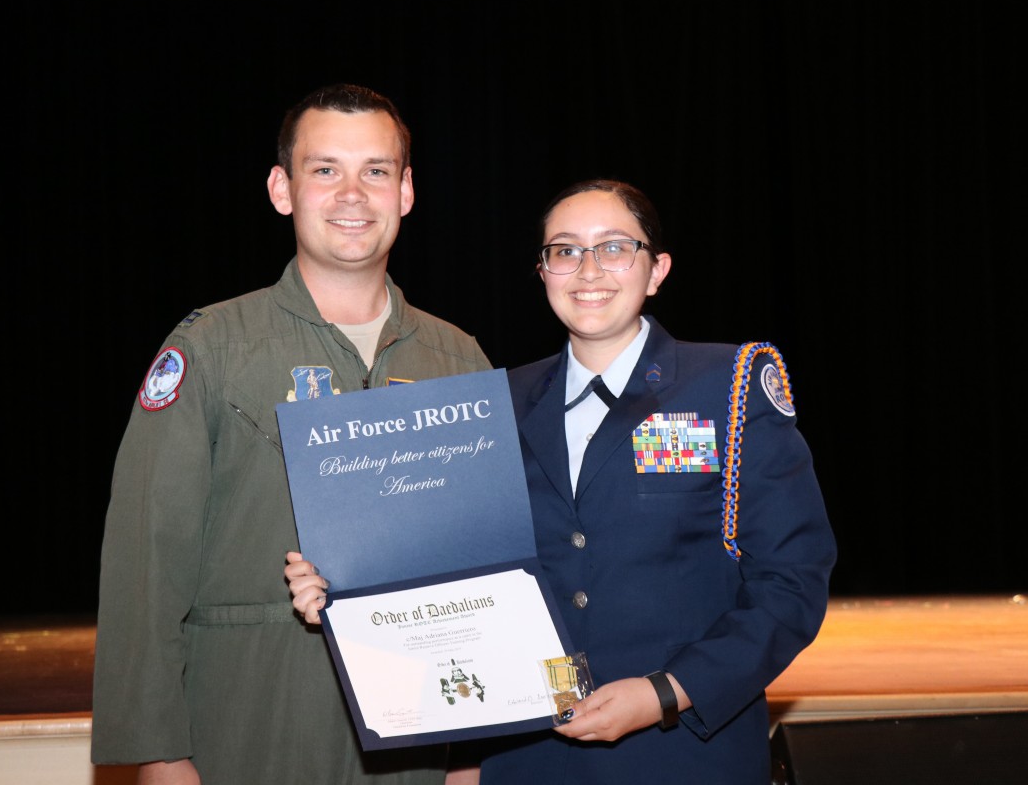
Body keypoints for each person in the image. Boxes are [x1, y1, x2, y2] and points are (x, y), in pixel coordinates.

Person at [288, 179, 836, 785]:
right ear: (544, 272)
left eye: (614, 247)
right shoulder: (497, 403)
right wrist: (344, 590)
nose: (588, 269)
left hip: (683, 751)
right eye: (565, 250)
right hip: (528, 758)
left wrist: (666, 692)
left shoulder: (728, 387)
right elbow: (450, 566)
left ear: (657, 270)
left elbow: (791, 584)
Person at [92, 83, 491, 785]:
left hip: (420, 744)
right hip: (250, 725)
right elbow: (144, 564)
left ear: (406, 193)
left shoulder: (458, 361)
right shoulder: (213, 348)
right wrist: (157, 752)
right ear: (283, 189)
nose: (352, 193)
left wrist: (477, 754)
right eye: (325, 169)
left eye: (376, 170)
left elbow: (488, 569)